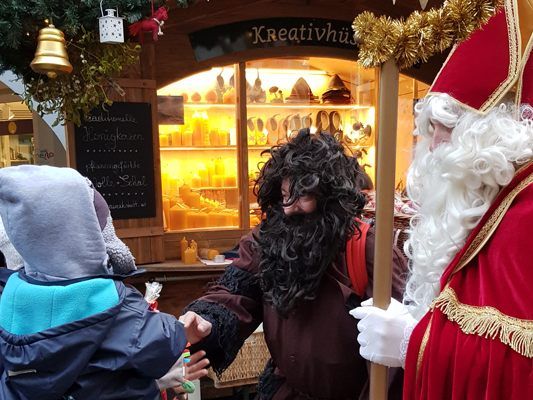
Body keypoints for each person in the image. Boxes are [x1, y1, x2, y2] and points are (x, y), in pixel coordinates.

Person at [352, 1, 533, 398]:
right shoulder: (486, 201)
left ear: (497, 134)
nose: (432, 146)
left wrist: (413, 343)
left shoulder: (526, 214)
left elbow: (520, 365)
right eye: (428, 127)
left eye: (445, 127)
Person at [180, 129, 407, 400]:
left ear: (329, 197)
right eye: (285, 195)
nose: (288, 208)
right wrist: (207, 318)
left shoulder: (367, 249)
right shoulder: (269, 240)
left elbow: (395, 350)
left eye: (302, 196)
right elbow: (235, 292)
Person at [0, 165, 208, 400]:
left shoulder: (13, 293)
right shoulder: (109, 298)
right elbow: (157, 341)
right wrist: (184, 332)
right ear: (85, 234)